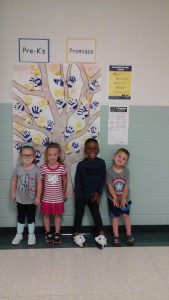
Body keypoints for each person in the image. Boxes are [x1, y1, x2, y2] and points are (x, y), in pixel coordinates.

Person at [73, 138, 107, 249]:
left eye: (94, 148)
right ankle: (76, 234)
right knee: (79, 214)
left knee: (96, 214)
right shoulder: (81, 165)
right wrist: (78, 196)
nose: (92, 150)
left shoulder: (101, 163)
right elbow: (77, 181)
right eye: (89, 148)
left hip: (94, 196)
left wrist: (99, 193)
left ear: (98, 150)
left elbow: (103, 179)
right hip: (81, 196)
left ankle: (101, 235)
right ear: (85, 150)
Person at [11, 144, 42, 245]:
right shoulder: (18, 168)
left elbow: (39, 184)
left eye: (30, 155)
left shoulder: (37, 169)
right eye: (25, 155)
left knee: (31, 218)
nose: (27, 157)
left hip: (32, 200)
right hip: (20, 199)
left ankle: (31, 234)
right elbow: (14, 181)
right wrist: (13, 193)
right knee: (20, 217)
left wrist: (38, 197)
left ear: (34, 156)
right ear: (21, 156)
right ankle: (19, 234)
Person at [106, 148, 134, 247]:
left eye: (124, 158)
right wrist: (114, 198)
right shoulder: (109, 171)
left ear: (126, 162)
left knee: (126, 216)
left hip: (125, 199)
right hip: (113, 200)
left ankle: (129, 235)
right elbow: (109, 185)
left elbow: (126, 186)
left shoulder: (126, 171)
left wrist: (123, 198)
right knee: (115, 217)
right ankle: (116, 237)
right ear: (114, 156)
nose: (121, 159)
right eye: (119, 156)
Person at [40, 142, 67, 244]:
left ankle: (57, 233)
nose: (52, 157)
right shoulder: (43, 168)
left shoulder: (61, 167)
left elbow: (65, 181)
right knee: (46, 215)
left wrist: (64, 193)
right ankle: (48, 233)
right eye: (50, 155)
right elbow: (41, 182)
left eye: (55, 154)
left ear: (58, 154)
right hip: (46, 197)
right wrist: (40, 194)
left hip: (58, 197)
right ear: (47, 155)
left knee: (57, 215)